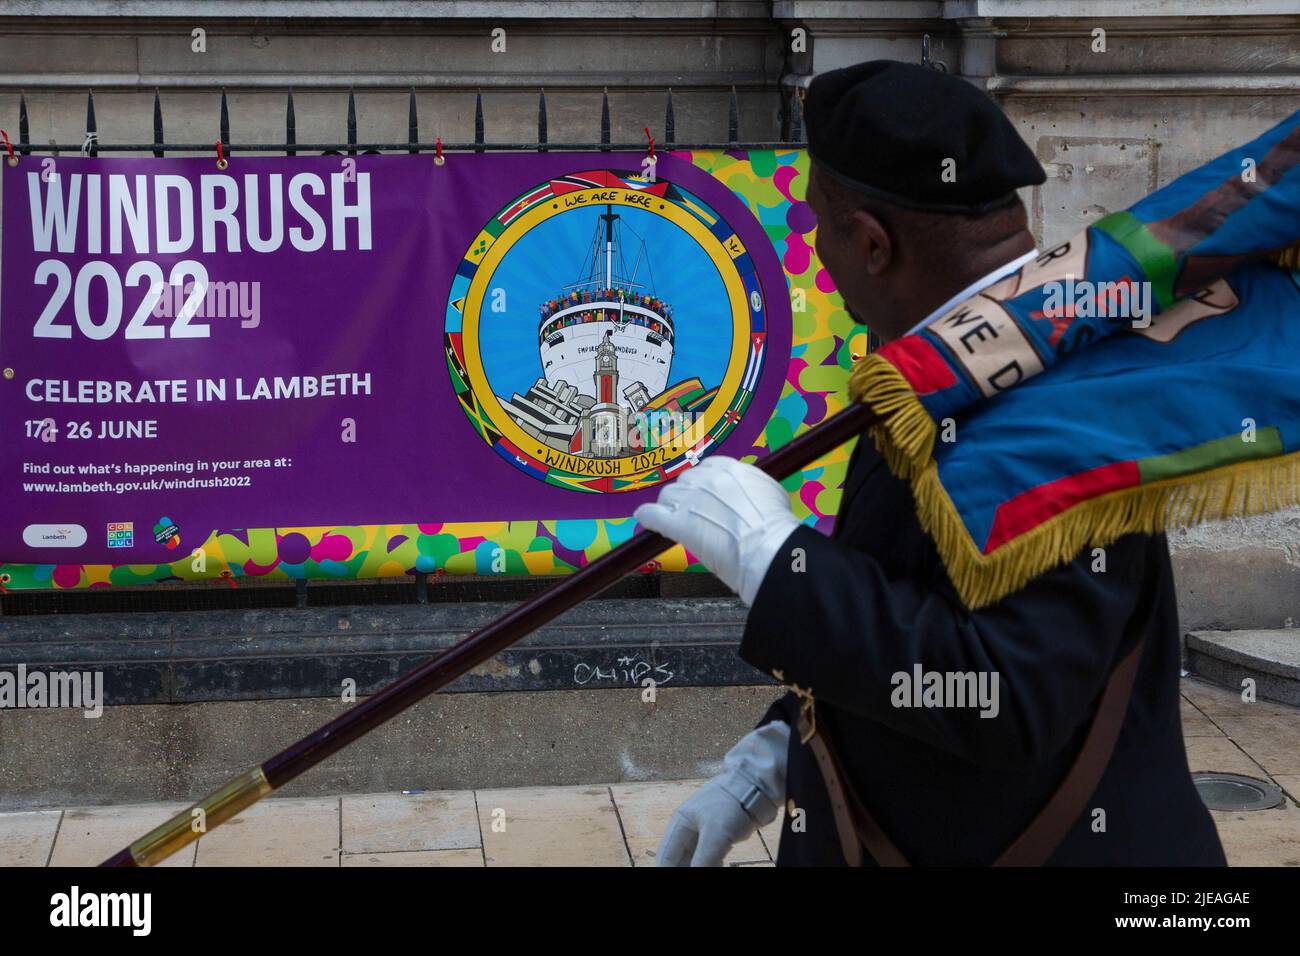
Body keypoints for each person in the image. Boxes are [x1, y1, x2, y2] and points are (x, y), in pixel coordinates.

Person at [635, 60, 1226, 867]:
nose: (812, 244)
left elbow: (1006, 694)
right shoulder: (959, 353)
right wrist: (783, 747)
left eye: (821, 223)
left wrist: (783, 564)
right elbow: (918, 595)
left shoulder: (1064, 405)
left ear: (873, 243)